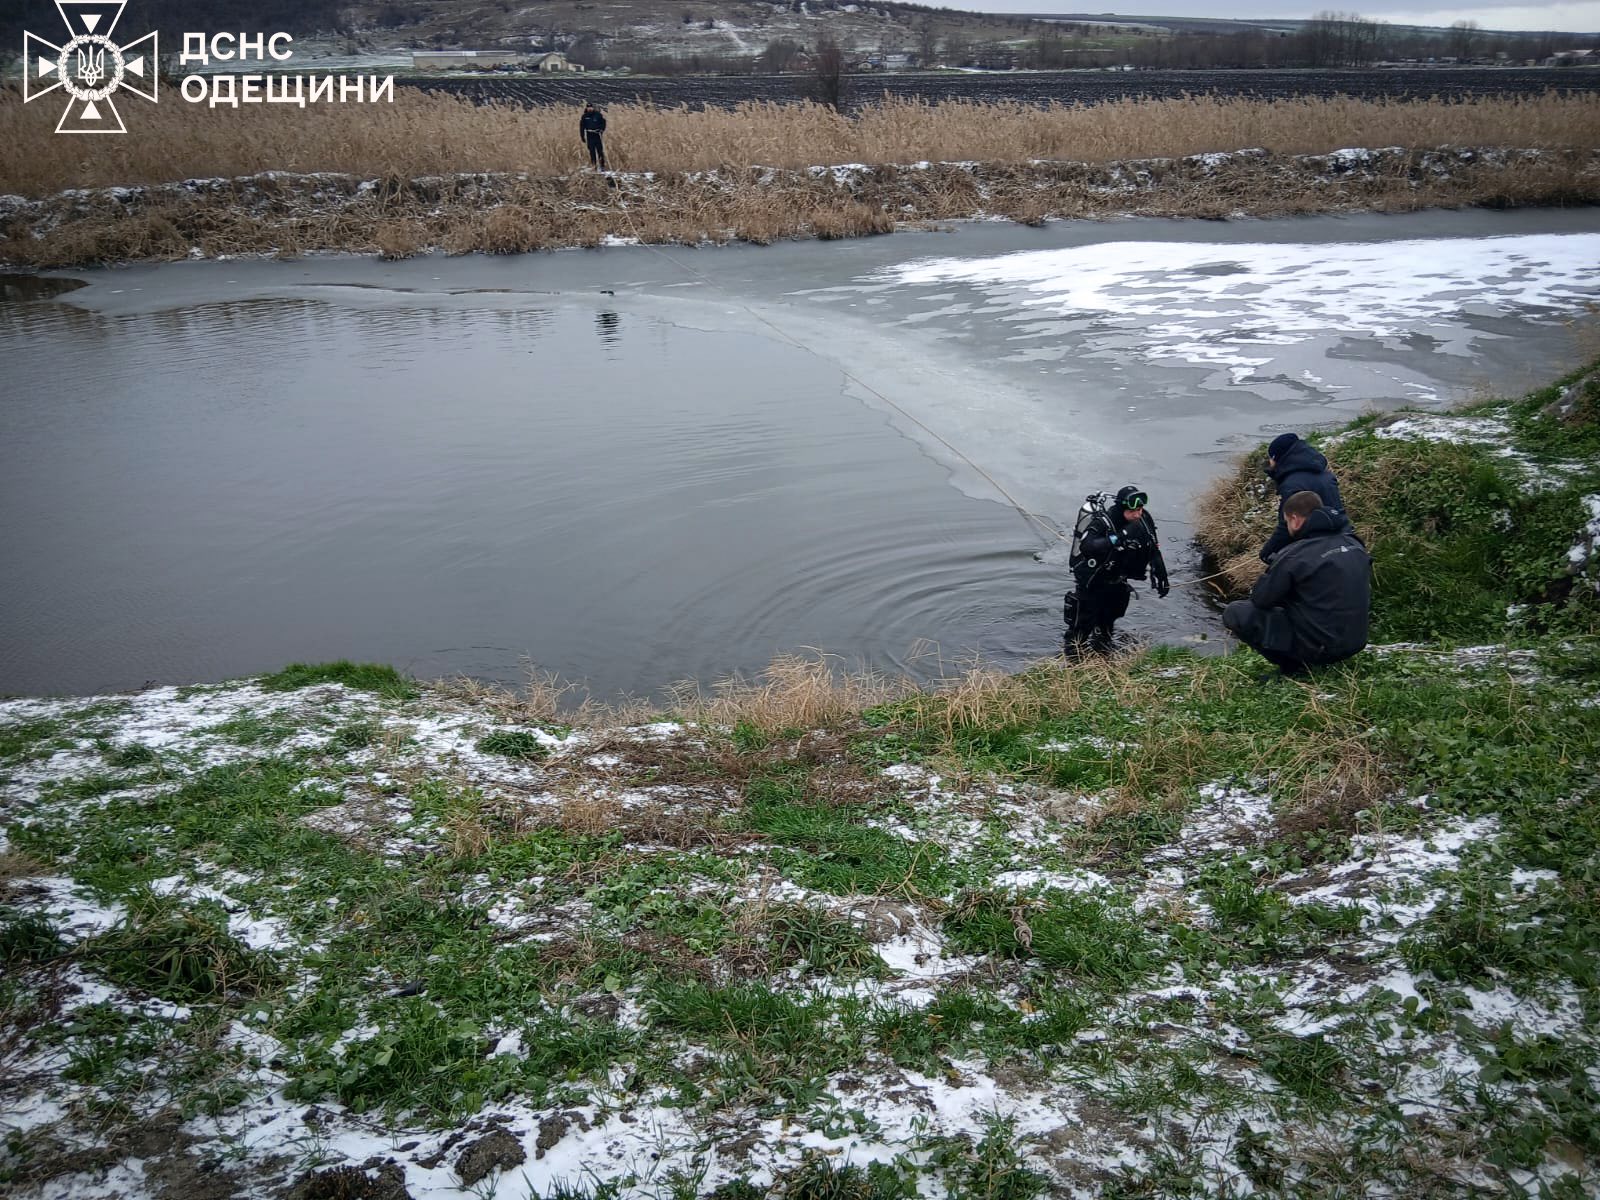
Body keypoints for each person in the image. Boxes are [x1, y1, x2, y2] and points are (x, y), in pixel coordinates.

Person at [1224, 490, 1370, 677]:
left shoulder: (1295, 554)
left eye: (1286, 522)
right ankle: (1320, 654)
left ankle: (1294, 668)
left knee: (1236, 612)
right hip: (1355, 642)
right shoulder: (1354, 543)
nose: (1288, 528)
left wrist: (1274, 573)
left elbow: (1261, 599)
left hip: (1320, 648)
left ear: (1295, 519)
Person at [1064, 484, 1170, 654]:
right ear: (1121, 509)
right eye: (1132, 511)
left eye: (1140, 510)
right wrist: (1121, 536)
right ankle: (1073, 659)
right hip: (1093, 581)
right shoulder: (1104, 522)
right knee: (1081, 626)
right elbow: (1088, 546)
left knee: (1109, 621)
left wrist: (1161, 572)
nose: (1137, 515)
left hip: (1118, 579)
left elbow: (1152, 546)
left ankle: (1103, 653)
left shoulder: (1143, 519)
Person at [1259, 432, 1346, 562]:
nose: (1270, 462)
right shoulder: (1326, 475)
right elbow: (1339, 512)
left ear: (1277, 458)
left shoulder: (1291, 484)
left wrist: (1267, 552)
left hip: (1314, 548)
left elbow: (1287, 527)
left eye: (1271, 458)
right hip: (1341, 540)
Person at [579, 100, 608, 170]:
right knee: (592, 151)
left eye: (591, 107)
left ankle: (602, 166)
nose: (589, 108)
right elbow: (582, 127)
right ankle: (594, 166)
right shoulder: (584, 116)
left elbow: (603, 123)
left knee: (600, 151)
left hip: (597, 135)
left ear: (593, 108)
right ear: (586, 108)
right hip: (589, 135)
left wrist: (601, 130)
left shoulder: (598, 115)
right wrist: (582, 136)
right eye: (588, 107)